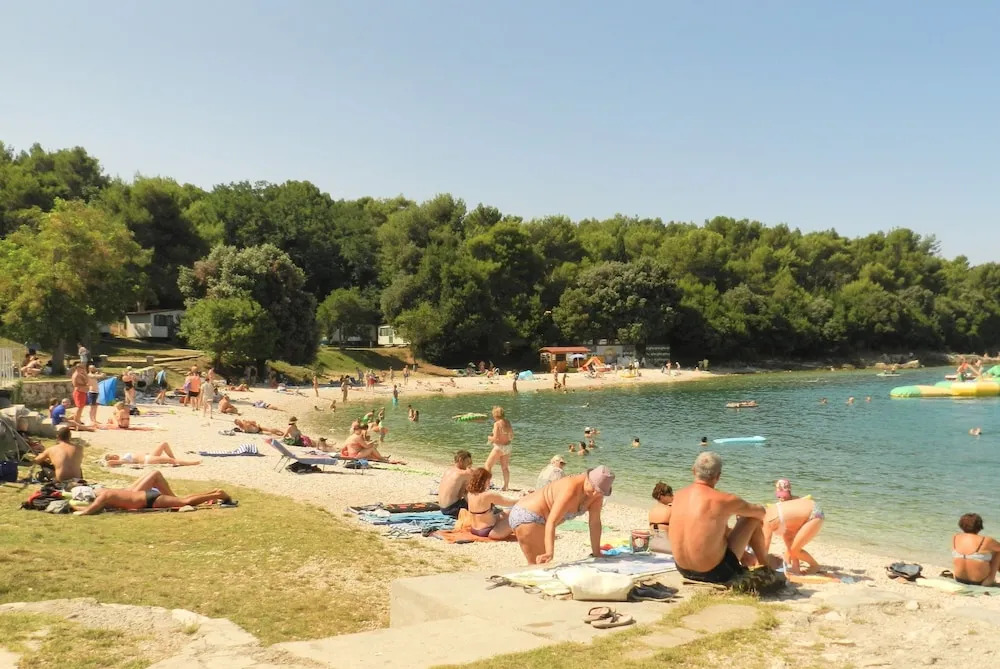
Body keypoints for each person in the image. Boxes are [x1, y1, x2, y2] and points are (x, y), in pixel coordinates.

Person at [668, 452, 769, 584]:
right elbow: (761, 513)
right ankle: (765, 567)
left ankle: (747, 558)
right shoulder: (724, 500)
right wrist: (743, 513)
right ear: (718, 476)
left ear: (693, 470)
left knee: (718, 526)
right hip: (715, 573)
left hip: (683, 569)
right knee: (752, 518)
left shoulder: (678, 495)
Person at [509, 465, 614, 564]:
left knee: (541, 567)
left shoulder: (597, 495)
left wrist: (597, 553)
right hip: (527, 514)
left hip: (541, 519)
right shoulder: (570, 488)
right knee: (538, 566)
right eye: (593, 488)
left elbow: (594, 523)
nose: (595, 494)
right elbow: (552, 521)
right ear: (587, 479)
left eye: (600, 491)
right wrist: (550, 552)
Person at [75, 470, 235, 515]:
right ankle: (215, 492)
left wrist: (78, 511)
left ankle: (218, 494)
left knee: (183, 502)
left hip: (149, 499)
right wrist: (74, 507)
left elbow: (89, 510)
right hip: (147, 498)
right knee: (183, 500)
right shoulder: (104, 493)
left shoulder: (103, 496)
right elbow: (92, 507)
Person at [761, 479, 825, 574]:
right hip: (811, 512)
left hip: (814, 514)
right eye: (779, 495)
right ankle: (795, 567)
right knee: (790, 542)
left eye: (784, 494)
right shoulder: (778, 509)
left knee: (794, 549)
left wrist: (759, 566)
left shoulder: (767, 519)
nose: (781, 498)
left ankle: (815, 566)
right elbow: (787, 537)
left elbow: (764, 548)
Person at [466, 468, 519, 539]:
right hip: (489, 531)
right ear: (484, 481)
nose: (489, 483)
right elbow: (509, 502)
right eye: (488, 480)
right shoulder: (488, 495)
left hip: (474, 529)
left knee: (508, 512)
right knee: (517, 517)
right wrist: (525, 499)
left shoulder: (470, 493)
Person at [951, 513, 1000, 586]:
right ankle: (991, 579)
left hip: (959, 579)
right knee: (997, 552)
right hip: (982, 582)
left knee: (987, 551)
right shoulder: (986, 540)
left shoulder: (955, 537)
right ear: (979, 526)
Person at [484, 406, 514, 491]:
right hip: (508, 446)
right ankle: (506, 486)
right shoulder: (507, 422)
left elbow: (496, 438)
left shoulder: (497, 424)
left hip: (499, 447)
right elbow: (512, 436)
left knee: (487, 465)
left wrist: (489, 438)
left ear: (495, 415)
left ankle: (487, 485)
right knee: (505, 467)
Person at [103, 442, 200, 467]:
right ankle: (191, 463)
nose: (114, 455)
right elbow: (110, 463)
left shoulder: (122, 457)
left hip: (149, 456)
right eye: (112, 456)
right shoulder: (122, 460)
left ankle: (176, 460)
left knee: (164, 444)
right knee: (170, 460)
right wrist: (108, 460)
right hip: (147, 460)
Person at [438, 450, 474, 517]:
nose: (469, 464)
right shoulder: (464, 474)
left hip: (442, 508)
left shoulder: (448, 471)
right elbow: (463, 494)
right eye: (468, 462)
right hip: (452, 509)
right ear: (460, 460)